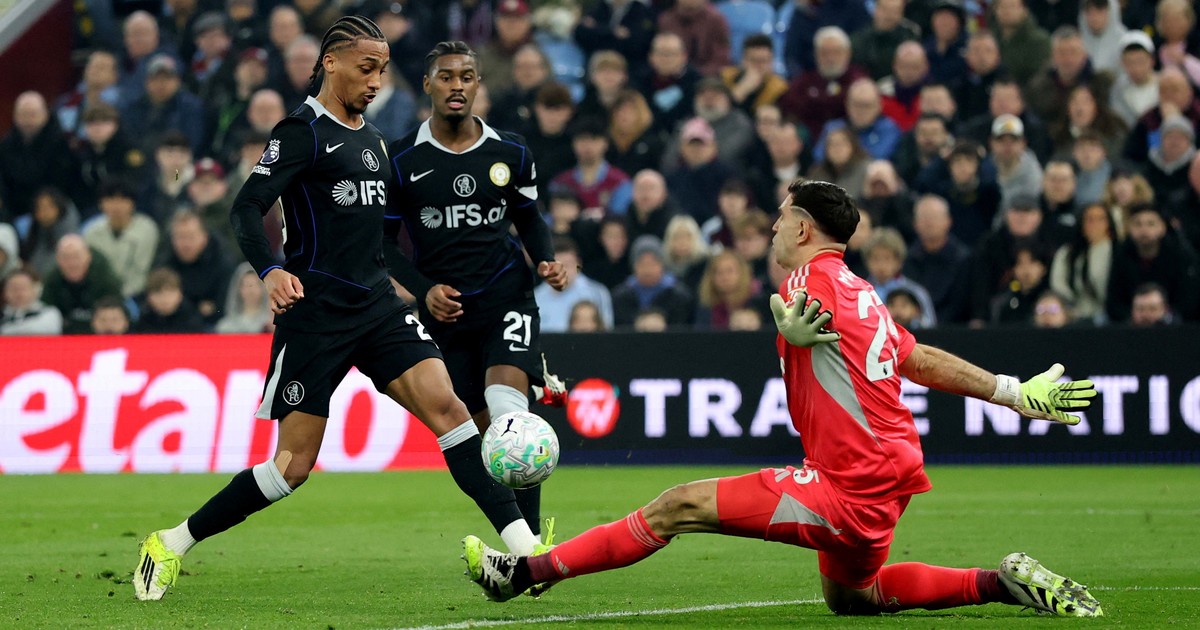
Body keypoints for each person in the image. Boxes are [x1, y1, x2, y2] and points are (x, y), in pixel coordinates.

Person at [461, 180, 1104, 619]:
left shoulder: (808, 280)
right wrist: (1013, 391)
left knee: (677, 506)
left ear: (801, 226)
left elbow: (830, 320)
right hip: (890, 470)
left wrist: (795, 331)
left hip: (850, 482)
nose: (772, 227)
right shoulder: (860, 289)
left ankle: (525, 574)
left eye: (780, 216)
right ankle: (1002, 582)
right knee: (853, 599)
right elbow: (918, 359)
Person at [134, 18, 554, 602]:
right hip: (316, 318)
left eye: (382, 69)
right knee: (290, 468)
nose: (376, 80)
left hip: (378, 308)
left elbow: (378, 235)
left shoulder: (375, 140)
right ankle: (172, 542)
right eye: (366, 67)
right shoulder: (301, 132)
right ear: (330, 62)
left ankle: (527, 551)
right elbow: (246, 208)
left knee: (452, 412)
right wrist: (271, 270)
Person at [384, 40, 569, 566]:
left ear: (478, 84)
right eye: (446, 76)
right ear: (428, 85)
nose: (457, 85)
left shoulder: (511, 151)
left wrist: (545, 259)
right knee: (486, 439)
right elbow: (383, 244)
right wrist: (424, 289)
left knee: (511, 419)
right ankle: (522, 545)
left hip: (507, 298)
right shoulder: (401, 159)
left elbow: (529, 217)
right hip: (446, 315)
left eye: (466, 76)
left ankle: (532, 554)